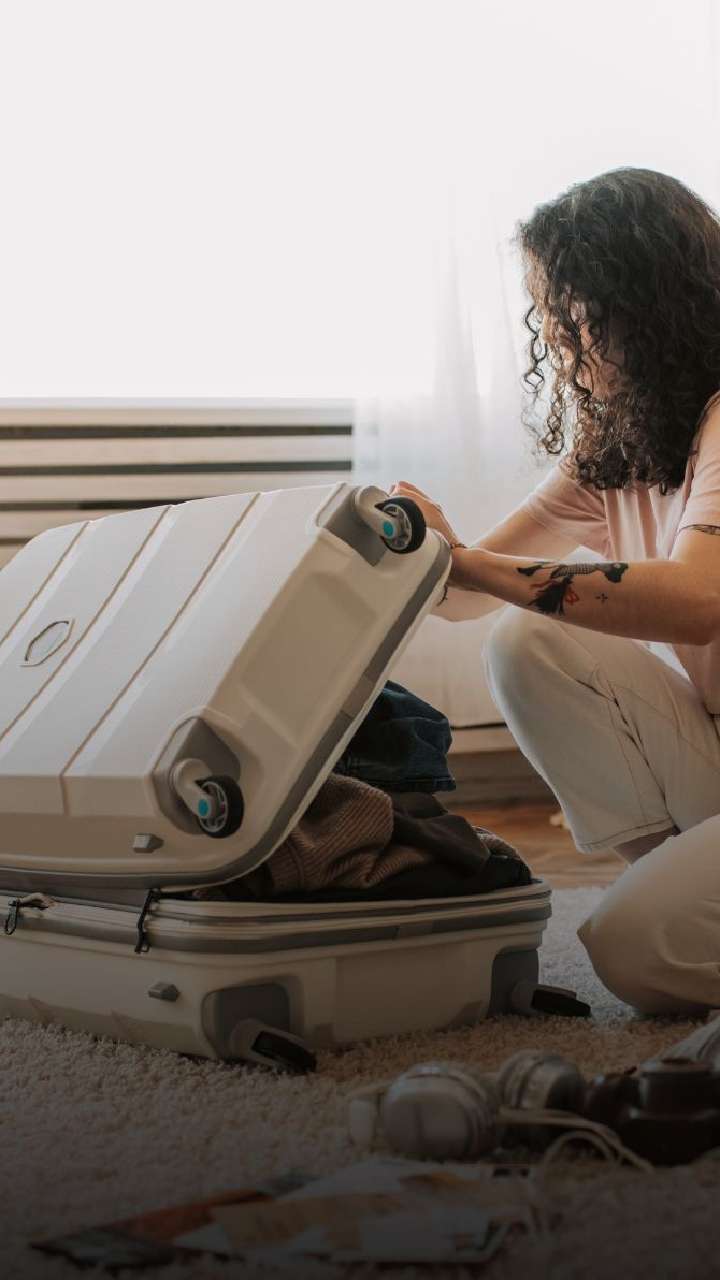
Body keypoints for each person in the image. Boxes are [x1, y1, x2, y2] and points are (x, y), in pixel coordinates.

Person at [390, 167, 720, 1016]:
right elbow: (468, 595)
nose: (553, 337)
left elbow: (696, 600)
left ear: (642, 304)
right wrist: (410, 548)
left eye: (567, 311)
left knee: (636, 950)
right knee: (526, 637)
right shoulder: (617, 447)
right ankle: (674, 880)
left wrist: (469, 564)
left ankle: (679, 899)